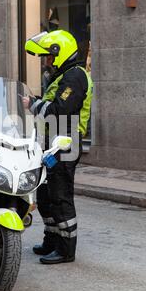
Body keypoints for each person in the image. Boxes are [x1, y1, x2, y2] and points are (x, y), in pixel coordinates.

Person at [23, 30, 93, 264]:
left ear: (60, 53)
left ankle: (65, 250)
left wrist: (33, 104)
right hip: (51, 146)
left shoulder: (75, 77)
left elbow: (60, 111)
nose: (48, 62)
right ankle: (51, 240)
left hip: (65, 145)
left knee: (60, 196)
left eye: (50, 57)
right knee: (45, 195)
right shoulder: (64, 76)